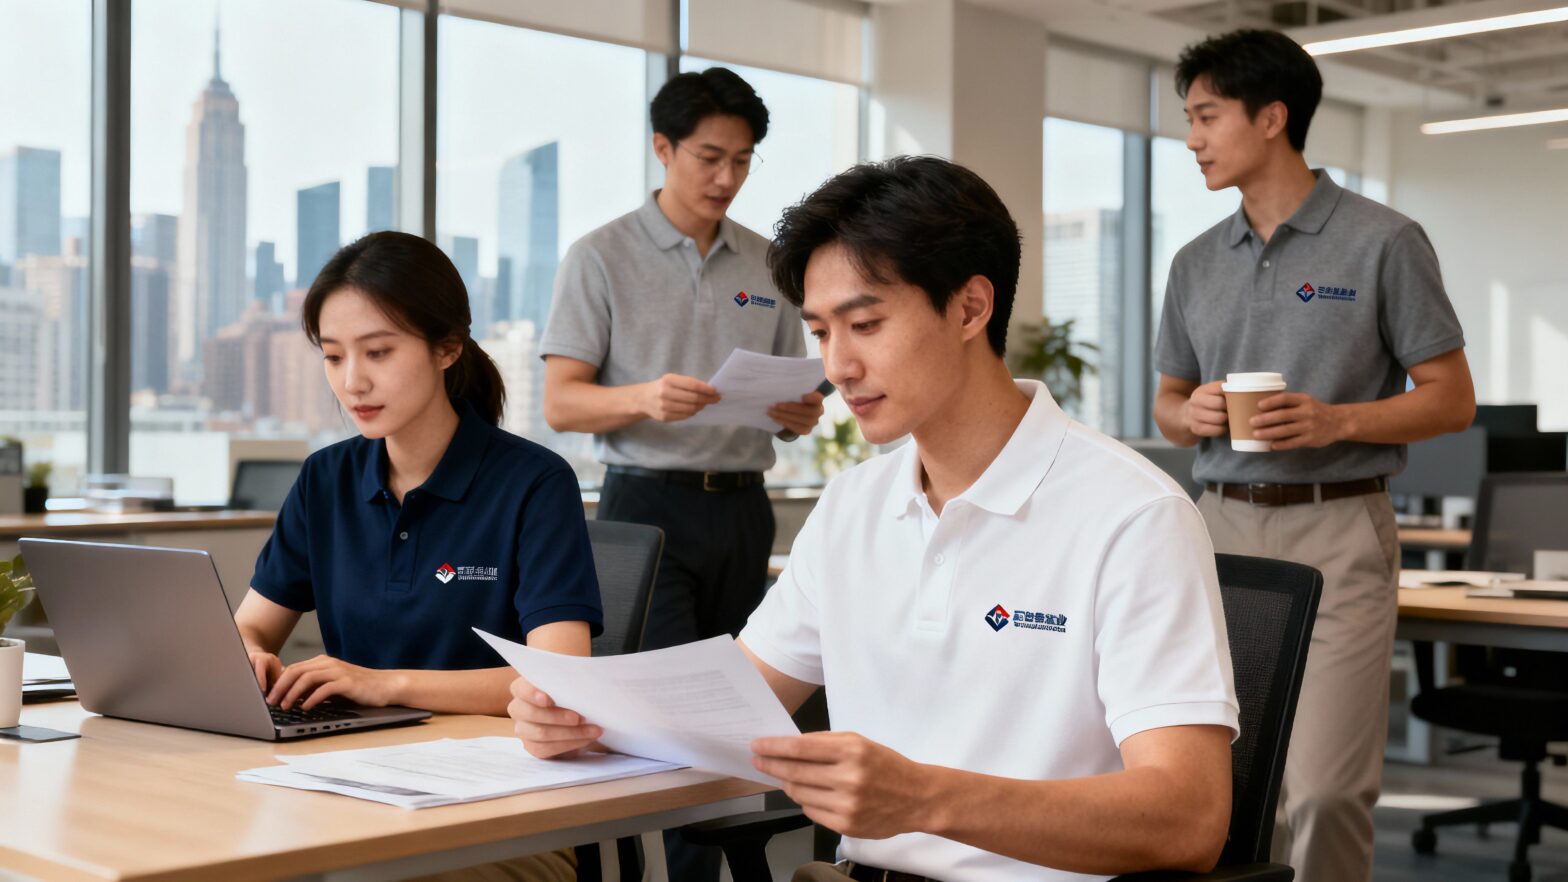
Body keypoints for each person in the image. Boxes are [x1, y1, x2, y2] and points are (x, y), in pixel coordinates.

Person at [510, 156, 1241, 882]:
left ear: (969, 308)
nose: (837, 366)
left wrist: (924, 797)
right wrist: (587, 720)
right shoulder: (855, 505)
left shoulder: (1131, 516)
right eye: (822, 333)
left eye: (864, 324)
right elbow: (728, 704)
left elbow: (1188, 818)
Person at [1152, 29, 1475, 881]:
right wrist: (1193, 412)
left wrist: (1336, 423)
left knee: (1323, 793)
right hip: (1216, 533)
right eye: (1188, 118)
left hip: (1339, 528)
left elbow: (1452, 398)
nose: (1191, 138)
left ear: (1272, 118)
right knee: (1216, 782)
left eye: (1205, 115)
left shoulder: (1383, 240)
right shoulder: (1192, 263)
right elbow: (1164, 404)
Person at [235, 232, 604, 881]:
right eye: (333, 356)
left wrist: (384, 685)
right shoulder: (326, 480)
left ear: (446, 347)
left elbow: (560, 683)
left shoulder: (534, 484)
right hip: (346, 785)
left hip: (503, 814)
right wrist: (249, 659)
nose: (353, 381)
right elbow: (250, 626)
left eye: (378, 351)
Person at [538, 67, 824, 879]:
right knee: (672, 729)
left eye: (742, 160)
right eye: (708, 157)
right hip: (644, 515)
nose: (726, 178)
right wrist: (644, 398)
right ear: (662, 149)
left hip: (743, 510)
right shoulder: (599, 257)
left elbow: (788, 386)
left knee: (747, 724)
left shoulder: (768, 264)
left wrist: (796, 411)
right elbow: (561, 404)